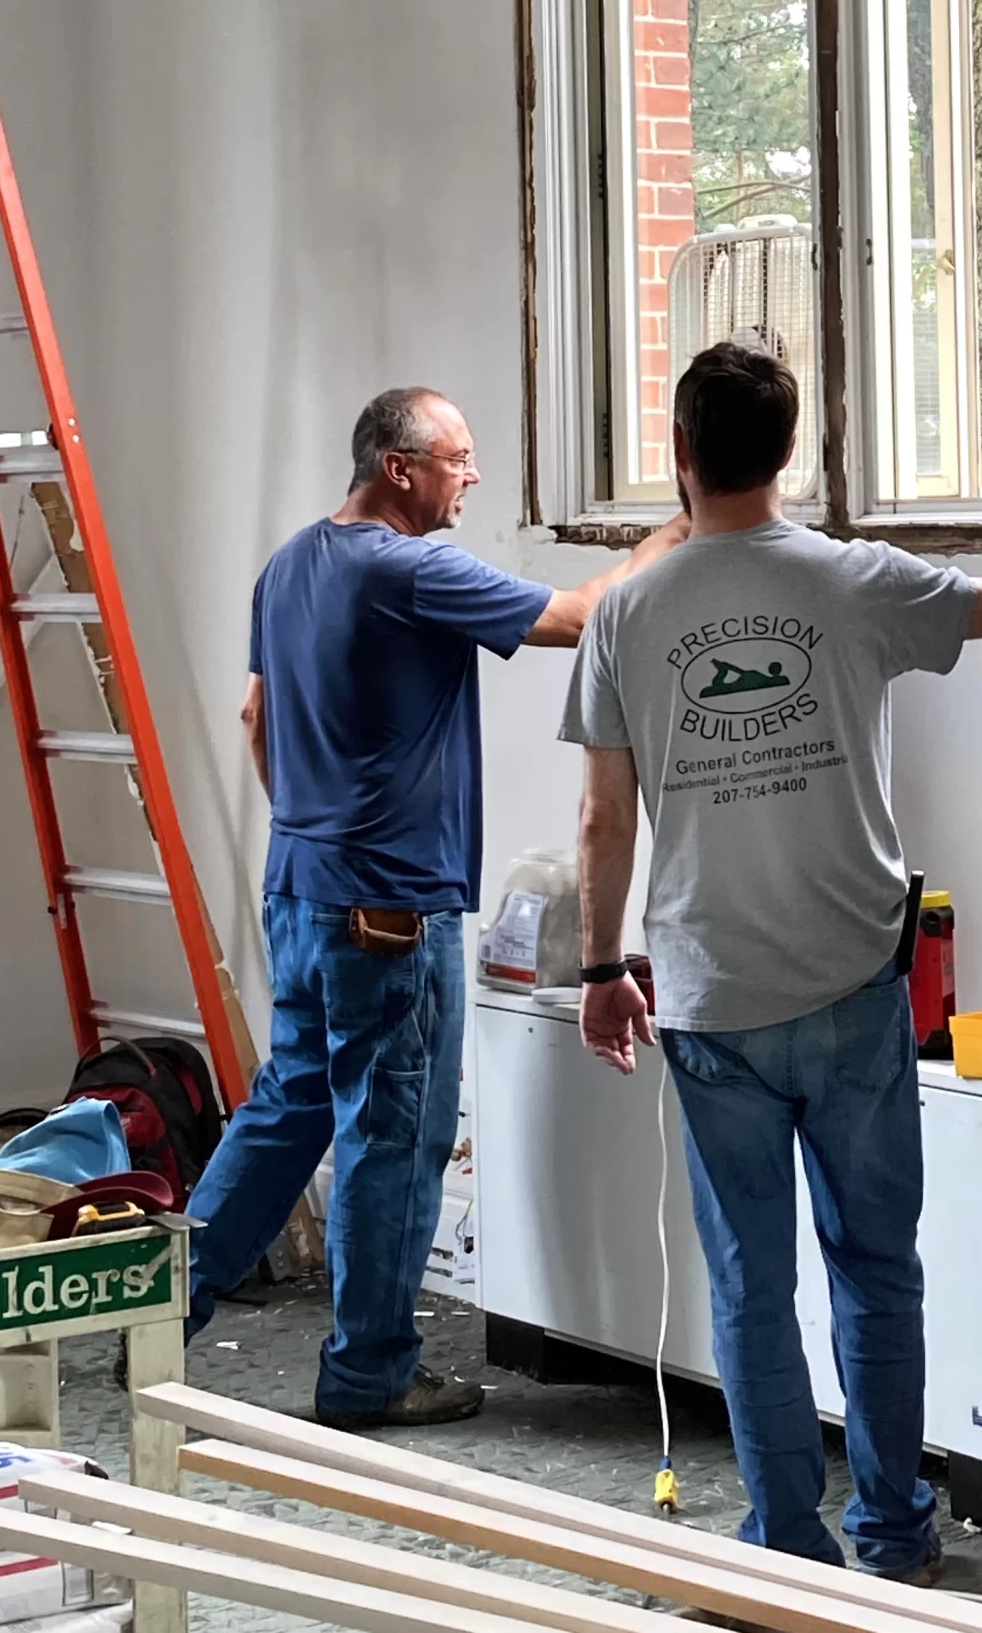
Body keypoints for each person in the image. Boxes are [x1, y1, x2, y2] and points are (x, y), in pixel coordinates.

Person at [561, 338, 982, 1579]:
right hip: (849, 988)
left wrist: (598, 967)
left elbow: (602, 818)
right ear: (790, 454)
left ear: (678, 455)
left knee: (750, 1288)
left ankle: (783, 1540)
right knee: (878, 1271)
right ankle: (894, 1534)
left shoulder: (625, 610)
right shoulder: (851, 581)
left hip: (711, 1000)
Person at [186, 386, 685, 1430]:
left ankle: (153, 1313)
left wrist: (317, 829)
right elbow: (579, 617)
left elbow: (255, 713)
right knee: (395, 1132)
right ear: (401, 467)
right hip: (389, 911)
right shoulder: (405, 567)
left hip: (302, 884)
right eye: (458, 458)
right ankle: (368, 1372)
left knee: (289, 1105)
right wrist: (683, 522)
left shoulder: (289, 565)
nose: (470, 477)